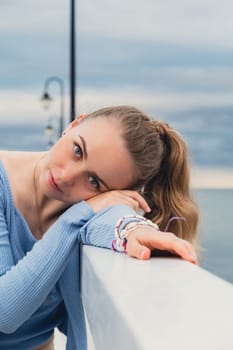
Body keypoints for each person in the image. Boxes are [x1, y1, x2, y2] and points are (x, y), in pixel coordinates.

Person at [0, 105, 199, 350]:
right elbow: (5, 311)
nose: (66, 176)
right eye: (77, 150)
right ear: (74, 124)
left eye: (94, 181)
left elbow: (115, 219)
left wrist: (135, 230)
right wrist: (75, 218)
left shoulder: (90, 209)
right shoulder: (80, 210)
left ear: (116, 193)